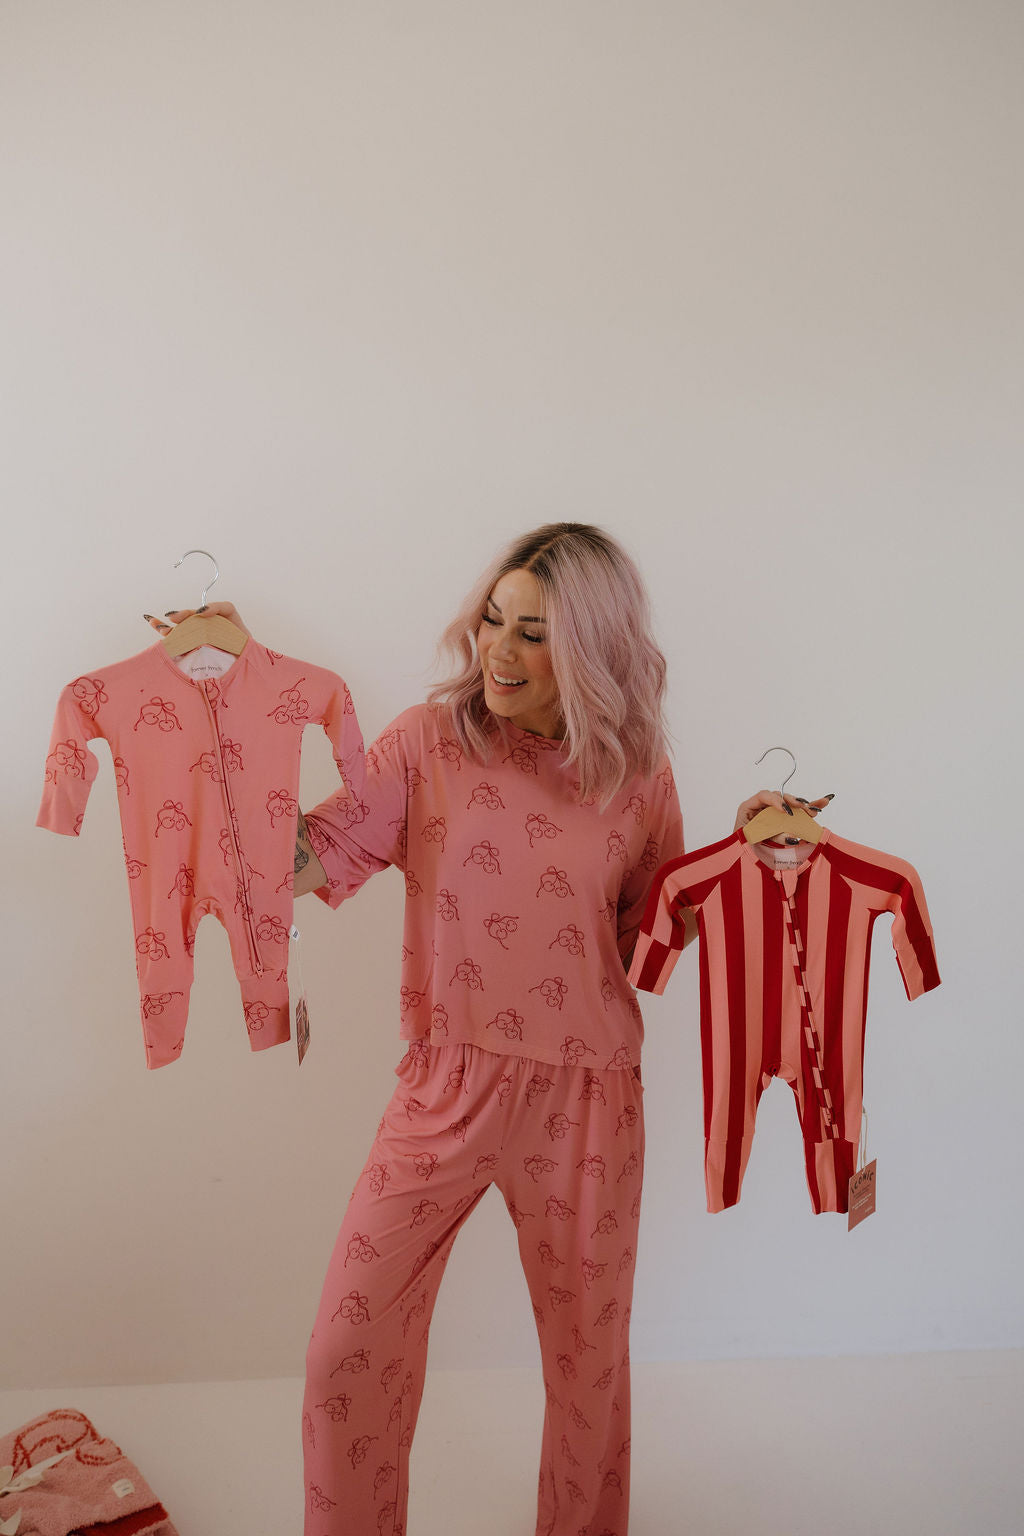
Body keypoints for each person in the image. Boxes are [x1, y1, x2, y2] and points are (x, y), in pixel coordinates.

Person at [149, 524, 820, 1536]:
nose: (498, 651)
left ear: (591, 648)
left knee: (587, 1365)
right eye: (494, 621)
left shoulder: (637, 774)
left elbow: (652, 940)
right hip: (444, 1082)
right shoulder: (429, 743)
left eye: (534, 634)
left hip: (586, 1097)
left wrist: (739, 873)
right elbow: (304, 858)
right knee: (347, 1345)